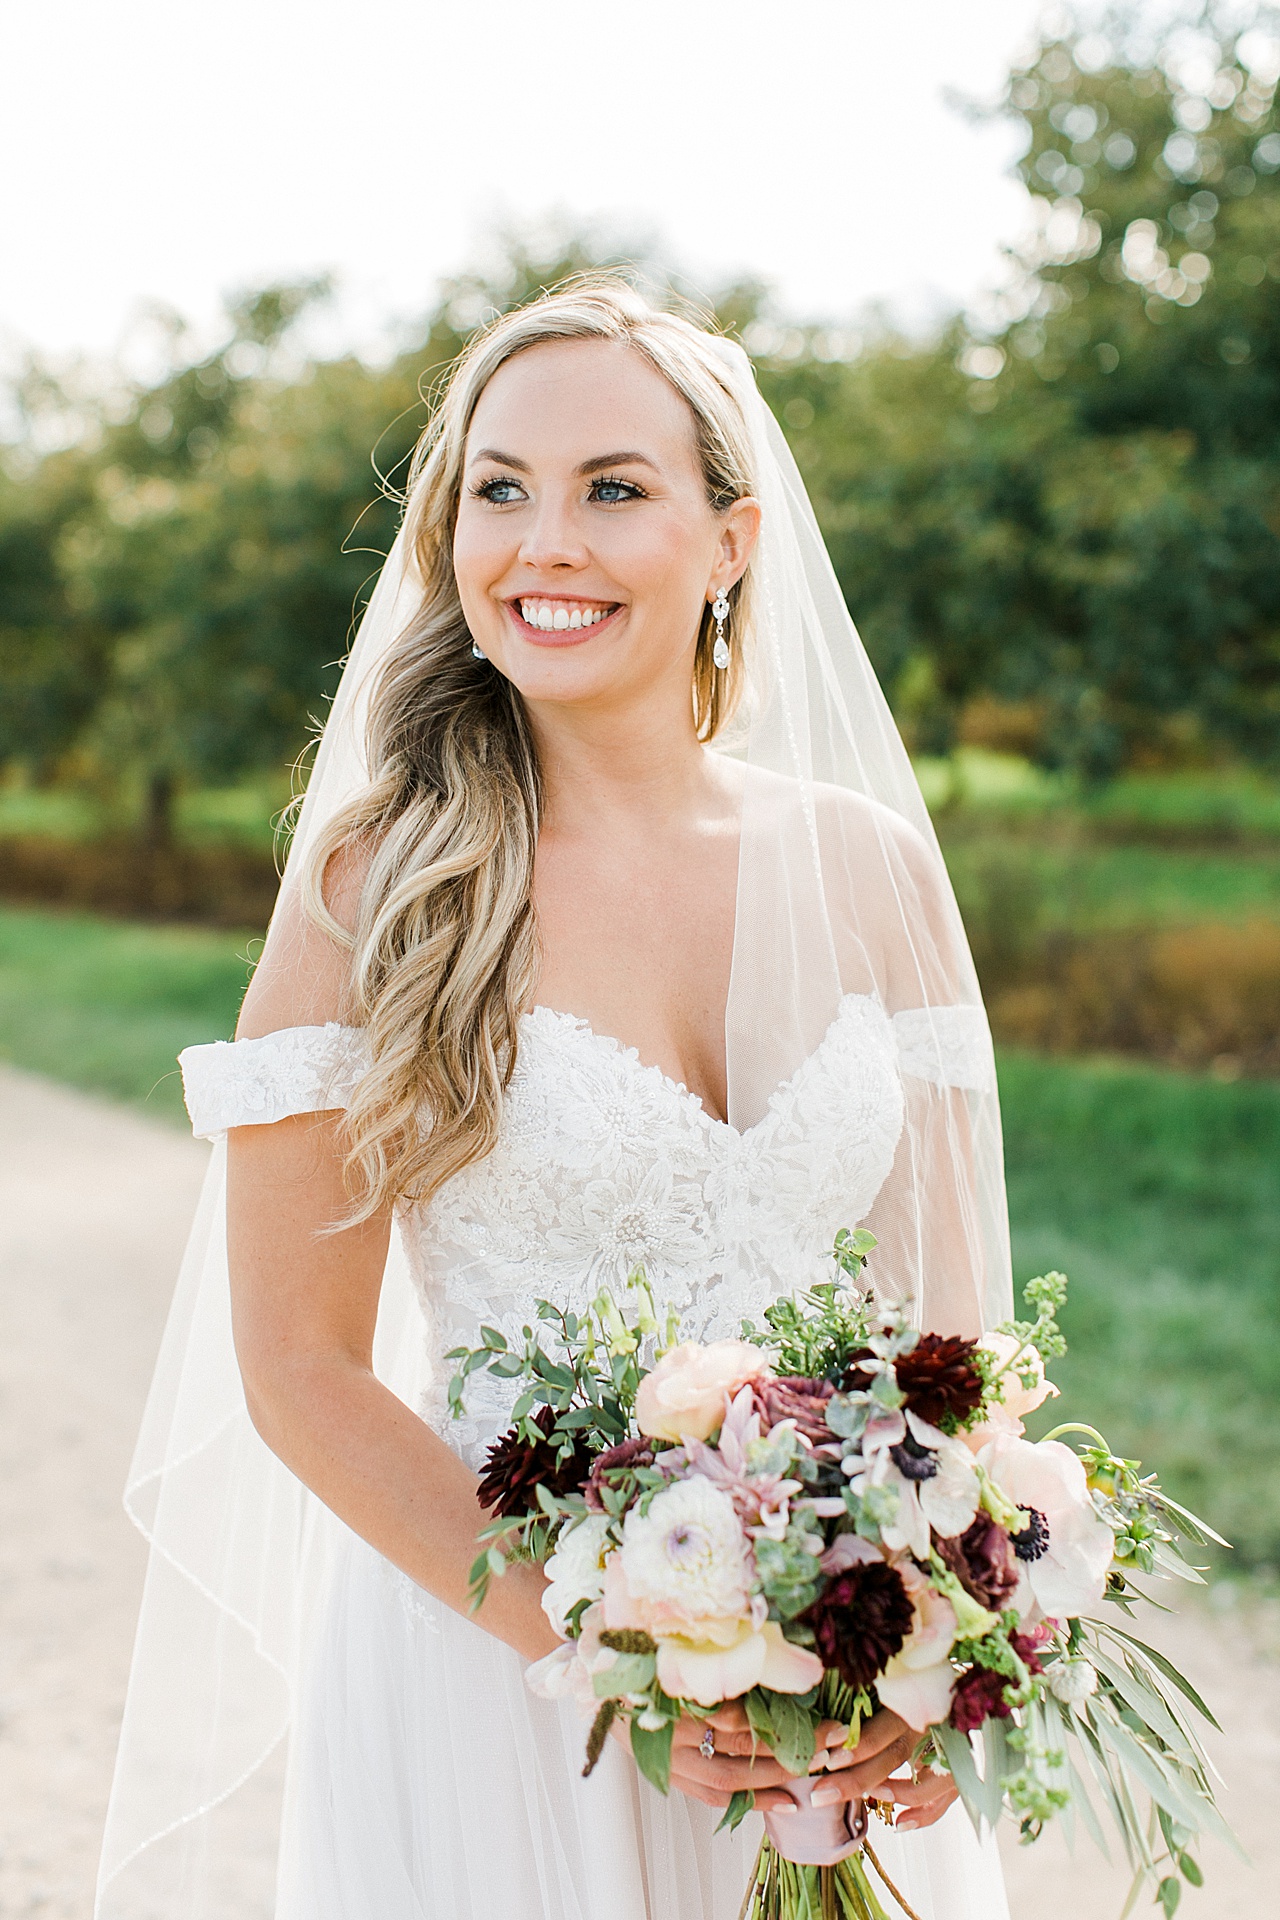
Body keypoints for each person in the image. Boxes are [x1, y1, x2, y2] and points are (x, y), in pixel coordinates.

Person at [97, 280, 1012, 1920]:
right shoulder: (376, 882)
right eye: (499, 490)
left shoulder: (870, 868)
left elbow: (951, 1329)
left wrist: (948, 1650)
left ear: (732, 538)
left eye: (614, 487)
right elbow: (301, 1367)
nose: (544, 544)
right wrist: (610, 1652)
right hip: (502, 1674)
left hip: (832, 1682)